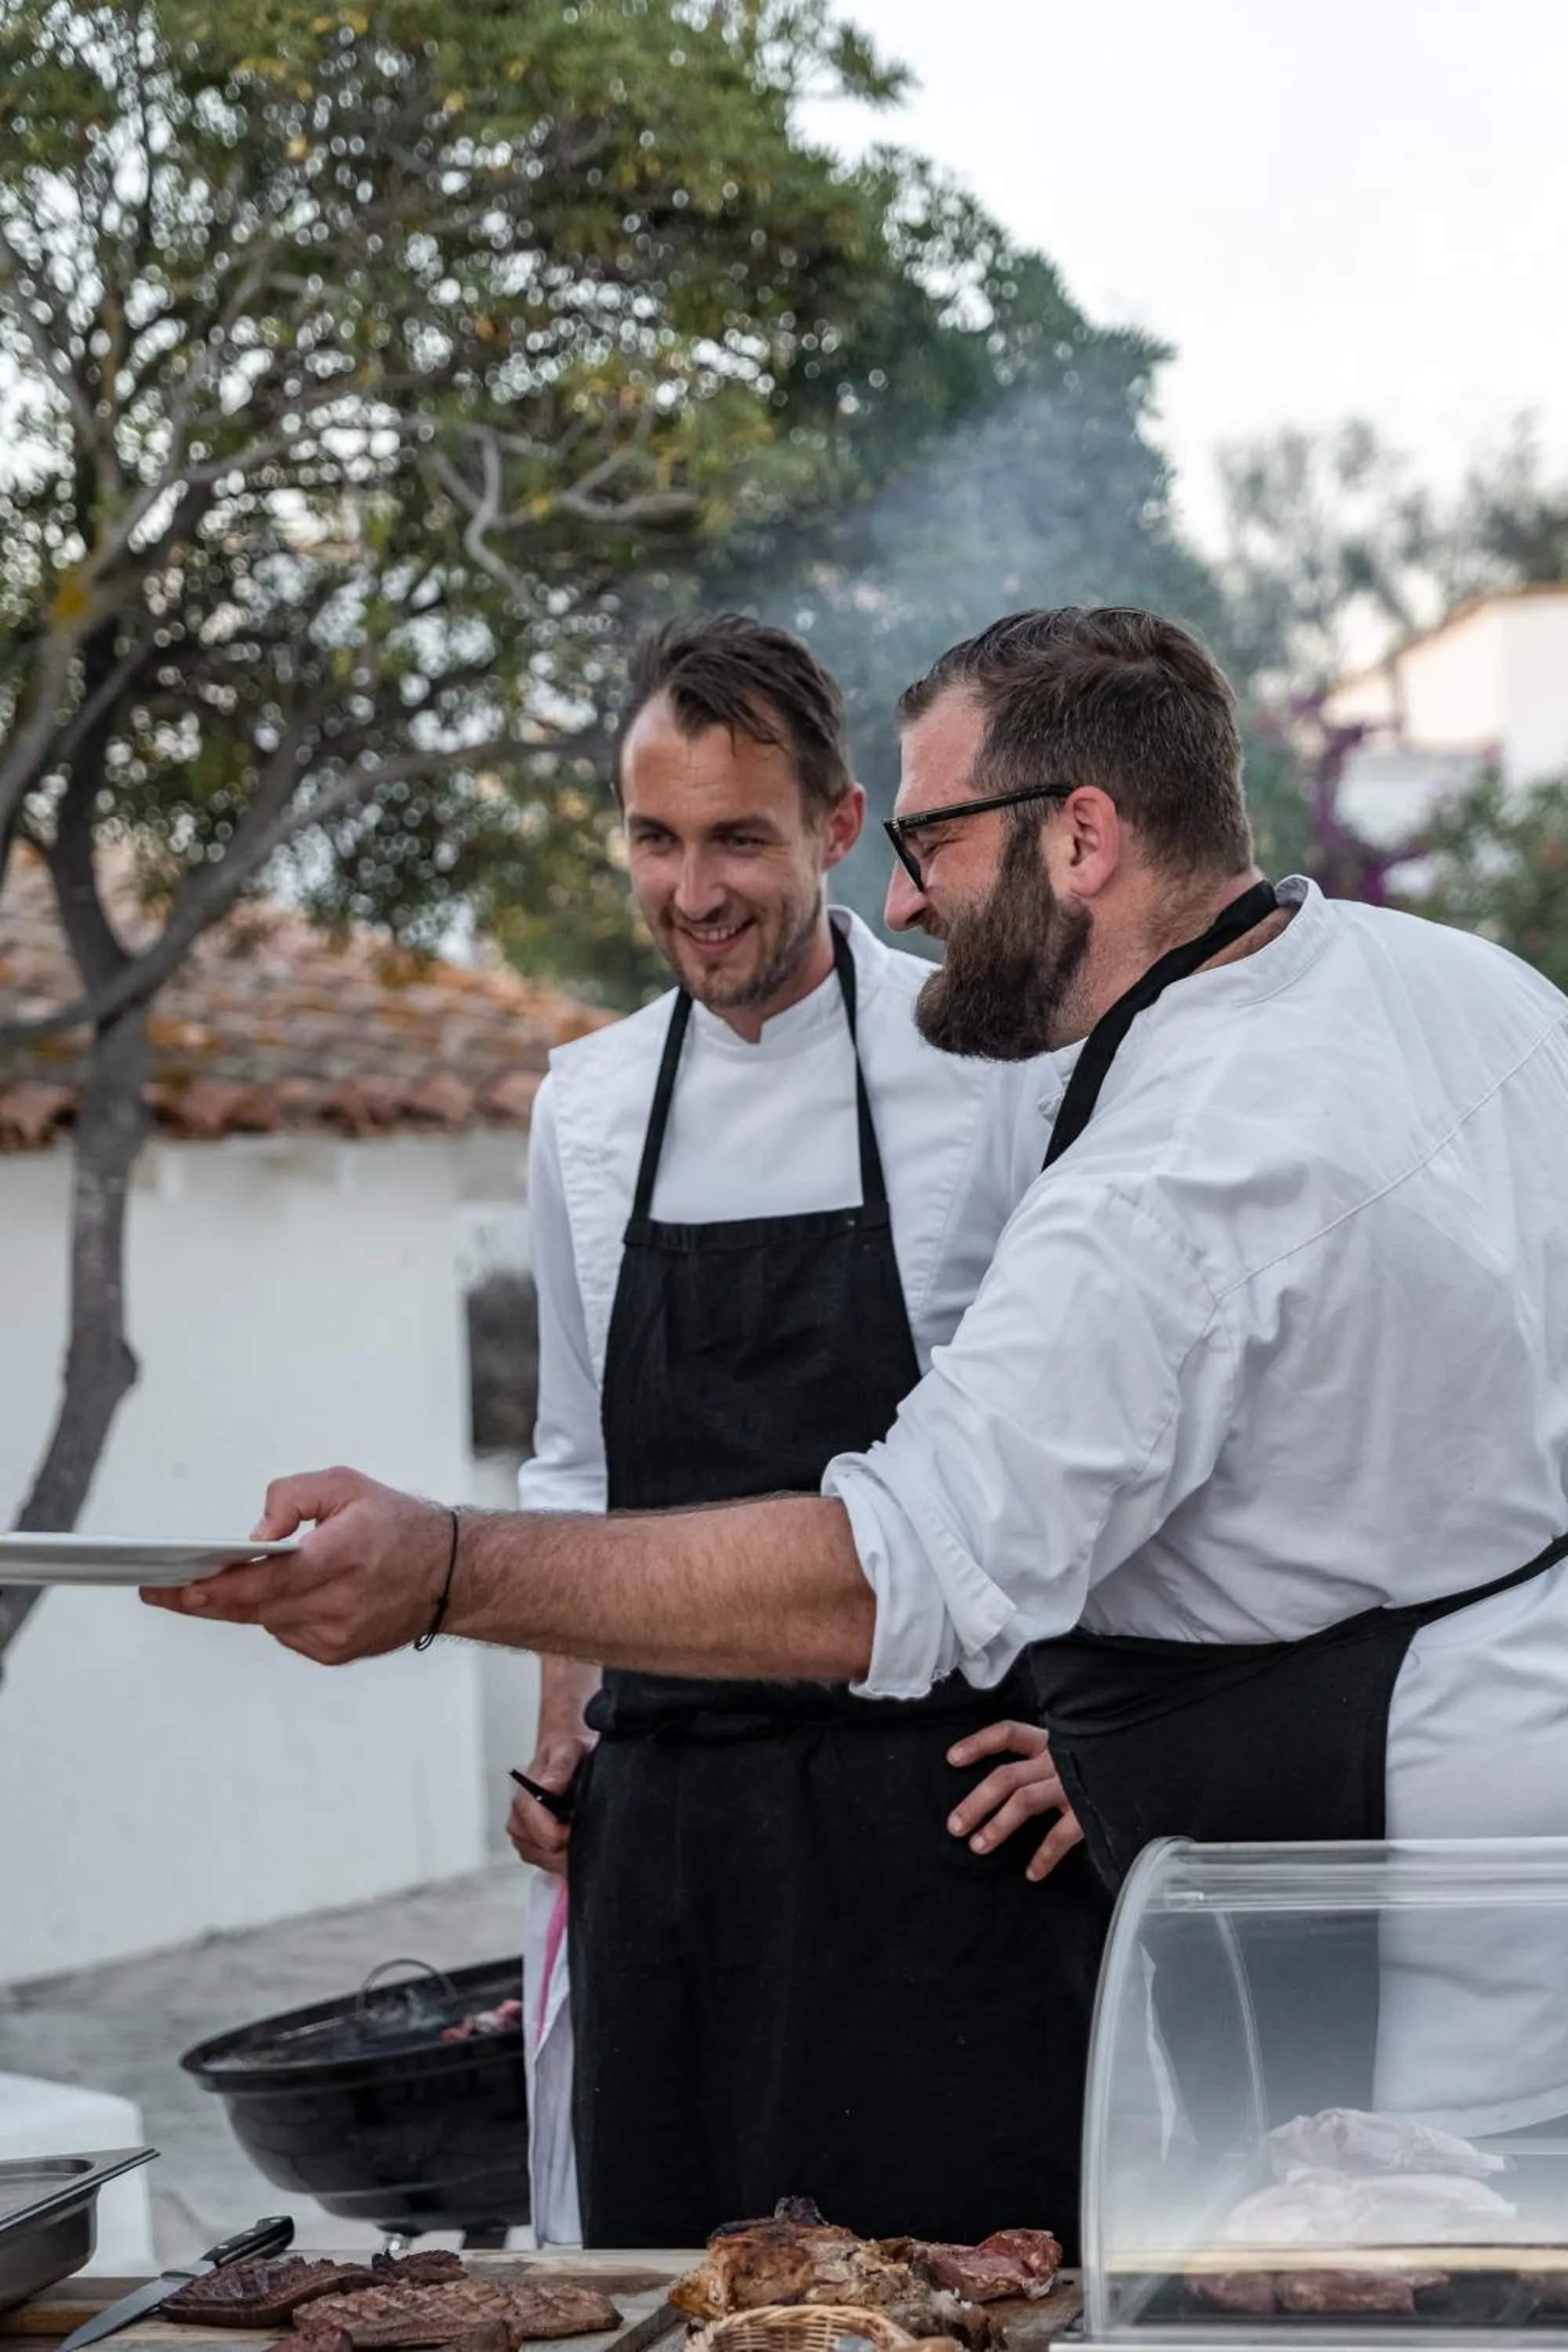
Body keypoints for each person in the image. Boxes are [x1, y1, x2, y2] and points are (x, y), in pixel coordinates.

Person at [152, 604, 1568, 2151]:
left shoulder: (1159, 1188)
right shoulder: (1464, 983)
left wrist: (446, 1570)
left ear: (1081, 837)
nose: (899, 894)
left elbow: (880, 1579)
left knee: (1385, 2287)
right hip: (1473, 1795)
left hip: (1378, 1875)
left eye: (928, 841)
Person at [487, 614, 1108, 2247]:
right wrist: (562, 1730)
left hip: (936, 1838)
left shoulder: (989, 1070)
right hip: (674, 1839)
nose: (695, 892)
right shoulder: (589, 1107)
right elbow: (571, 1466)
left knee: (962, 2281)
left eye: (740, 839)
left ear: (838, 829)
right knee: (672, 2284)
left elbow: (1101, 1451)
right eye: (657, 839)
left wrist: (1104, 1742)